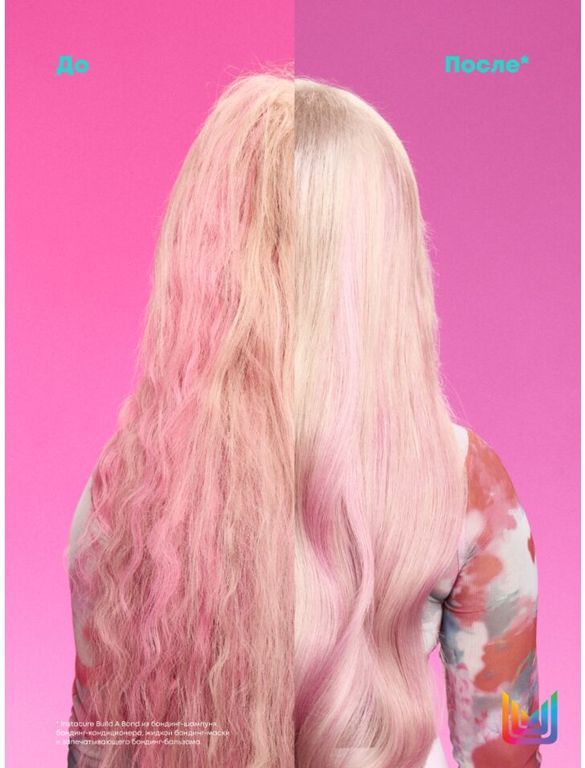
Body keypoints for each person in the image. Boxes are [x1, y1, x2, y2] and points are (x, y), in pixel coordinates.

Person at [66, 70, 541, 768]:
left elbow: (93, 747)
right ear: (388, 259)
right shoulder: (468, 486)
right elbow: (512, 747)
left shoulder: (124, 485)